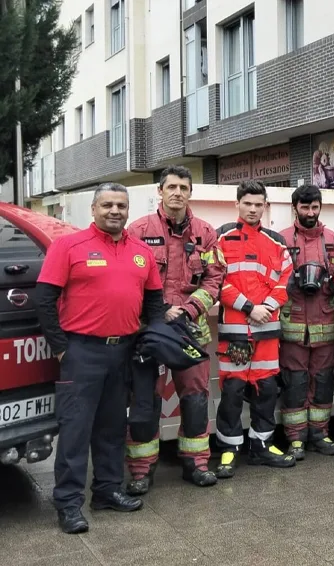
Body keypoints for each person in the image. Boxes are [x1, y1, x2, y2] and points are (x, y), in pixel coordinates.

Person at [37, 183, 166, 534]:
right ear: (93, 209)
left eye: (121, 206)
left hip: (123, 351)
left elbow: (154, 302)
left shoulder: (142, 251)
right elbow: (44, 300)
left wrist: (152, 340)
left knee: (111, 429)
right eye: (107, 205)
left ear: (128, 210)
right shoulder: (68, 246)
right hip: (81, 352)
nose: (115, 211)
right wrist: (62, 348)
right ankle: (68, 503)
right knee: (76, 431)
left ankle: (108, 491)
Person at [123, 166, 224, 494]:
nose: (177, 192)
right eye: (171, 187)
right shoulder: (137, 231)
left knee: (195, 399)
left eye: (183, 187)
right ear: (160, 191)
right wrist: (160, 312)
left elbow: (215, 277)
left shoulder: (206, 232)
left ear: (190, 192)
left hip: (191, 331)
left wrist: (191, 308)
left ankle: (195, 464)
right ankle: (141, 471)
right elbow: (125, 280)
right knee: (145, 402)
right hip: (148, 331)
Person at [214, 181, 296, 477]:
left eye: (258, 204)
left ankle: (261, 445)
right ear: (237, 203)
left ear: (265, 206)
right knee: (233, 391)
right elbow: (216, 282)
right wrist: (250, 308)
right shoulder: (220, 237)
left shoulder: (276, 242)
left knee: (267, 390)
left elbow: (285, 281)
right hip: (236, 332)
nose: (252, 209)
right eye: (247, 203)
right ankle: (229, 448)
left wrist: (267, 308)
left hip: (267, 332)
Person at [278, 185, 334, 460]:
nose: (310, 212)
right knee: (294, 382)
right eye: (305, 207)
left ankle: (320, 434)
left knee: (324, 380)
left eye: (314, 207)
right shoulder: (280, 240)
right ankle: (295, 439)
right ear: (295, 208)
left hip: (326, 326)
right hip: (292, 328)